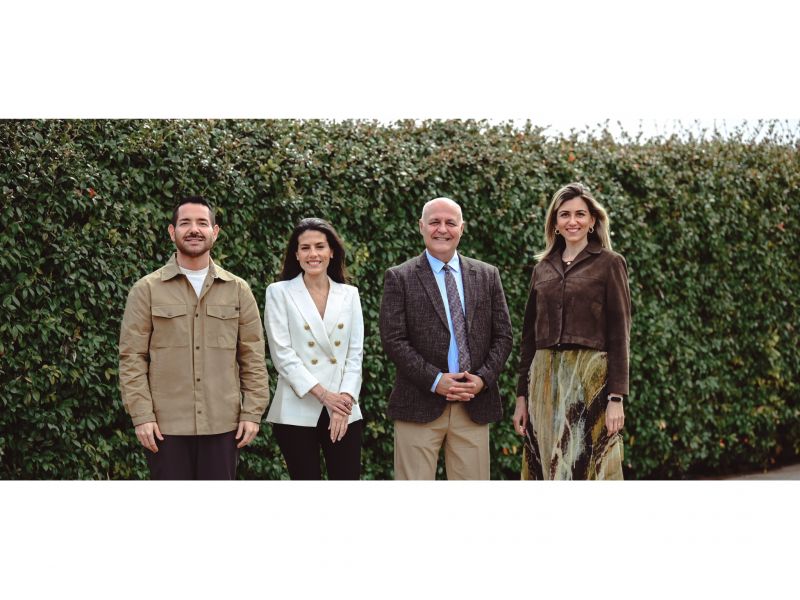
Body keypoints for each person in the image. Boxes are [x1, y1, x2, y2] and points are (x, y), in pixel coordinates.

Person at [118, 196, 271, 480]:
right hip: (165, 428)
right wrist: (142, 416)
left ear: (215, 231)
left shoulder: (238, 290)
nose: (194, 230)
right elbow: (132, 358)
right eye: (185, 223)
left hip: (223, 425)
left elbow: (252, 356)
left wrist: (252, 412)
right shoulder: (146, 290)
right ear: (172, 231)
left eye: (202, 223)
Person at [379, 197, 513, 480]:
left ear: (461, 228)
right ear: (421, 226)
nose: (442, 229)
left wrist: (483, 379)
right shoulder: (400, 277)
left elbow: (503, 336)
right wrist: (435, 380)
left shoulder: (487, 275)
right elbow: (394, 340)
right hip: (418, 404)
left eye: (450, 222)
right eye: (434, 222)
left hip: (472, 404)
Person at [513, 182, 631, 480]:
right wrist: (521, 397)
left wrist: (616, 397)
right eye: (564, 214)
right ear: (555, 223)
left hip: (590, 380)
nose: (572, 221)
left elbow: (620, 335)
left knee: (592, 466)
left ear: (592, 221)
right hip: (543, 383)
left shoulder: (610, 264)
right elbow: (528, 338)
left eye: (580, 214)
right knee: (548, 467)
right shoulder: (542, 269)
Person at [263, 218, 364, 480]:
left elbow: (355, 355)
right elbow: (282, 355)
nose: (313, 254)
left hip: (343, 407)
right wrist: (325, 396)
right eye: (305, 248)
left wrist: (343, 402)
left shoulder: (350, 294)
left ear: (332, 251)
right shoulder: (279, 292)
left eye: (320, 246)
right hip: (295, 408)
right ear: (296, 254)